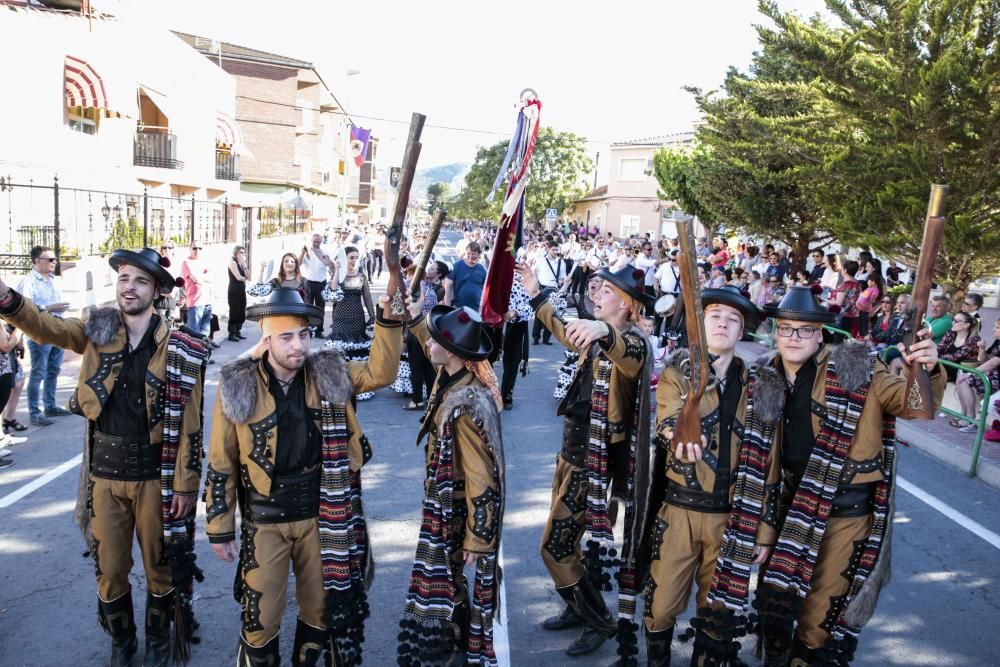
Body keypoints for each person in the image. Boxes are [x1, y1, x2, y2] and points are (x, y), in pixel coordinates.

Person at [0, 247, 208, 666]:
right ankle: (123, 641)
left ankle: (161, 641)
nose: (129, 287)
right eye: (125, 278)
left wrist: (186, 485)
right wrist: (6, 298)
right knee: (110, 569)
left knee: (159, 567)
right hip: (104, 475)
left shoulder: (180, 346)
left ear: (158, 292)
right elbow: (46, 326)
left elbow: (191, 423)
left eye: (141, 281)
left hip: (155, 476)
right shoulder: (97, 329)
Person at [205, 287, 404, 665]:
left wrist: (389, 319)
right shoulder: (239, 384)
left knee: (319, 614)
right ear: (266, 339)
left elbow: (382, 371)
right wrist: (220, 526)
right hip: (266, 520)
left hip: (321, 517)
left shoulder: (327, 373)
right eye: (286, 337)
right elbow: (221, 459)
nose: (298, 345)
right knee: (259, 620)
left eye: (304, 334)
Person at [753, 286, 943, 665]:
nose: (794, 337)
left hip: (846, 516)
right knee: (773, 610)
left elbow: (913, 406)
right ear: (776, 332)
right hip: (790, 508)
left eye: (804, 329)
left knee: (819, 620)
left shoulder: (853, 367)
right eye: (787, 328)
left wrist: (926, 367)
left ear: (819, 333)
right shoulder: (764, 376)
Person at [518, 262, 653, 659]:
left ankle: (598, 620)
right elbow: (564, 329)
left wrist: (604, 331)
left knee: (554, 546)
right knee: (569, 543)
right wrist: (535, 291)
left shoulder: (633, 342)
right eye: (597, 289)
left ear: (627, 305)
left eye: (606, 291)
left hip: (593, 465)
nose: (596, 294)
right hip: (571, 452)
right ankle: (577, 607)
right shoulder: (597, 335)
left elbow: (628, 352)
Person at [642, 286, 779, 665]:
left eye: (733, 319)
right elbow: (669, 420)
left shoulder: (761, 384)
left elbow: (770, 462)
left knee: (718, 612)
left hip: (732, 518)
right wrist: (680, 431)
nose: (723, 323)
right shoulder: (676, 373)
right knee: (661, 604)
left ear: (742, 332)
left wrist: (764, 530)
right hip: (680, 510)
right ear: (699, 325)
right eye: (715, 315)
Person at [398, 299, 505, 666]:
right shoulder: (452, 371)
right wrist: (408, 310)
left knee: (450, 576)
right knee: (447, 574)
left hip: (456, 504)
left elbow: (480, 475)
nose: (426, 345)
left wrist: (479, 535)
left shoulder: (465, 403)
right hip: (443, 496)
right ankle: (453, 638)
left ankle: (458, 645)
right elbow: (423, 336)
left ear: (452, 351)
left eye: (432, 341)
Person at [17, 245, 71, 426]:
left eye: (55, 259)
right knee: (38, 372)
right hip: (40, 332)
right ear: (37, 261)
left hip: (58, 329)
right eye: (50, 259)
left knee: (53, 370)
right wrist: (51, 308)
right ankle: (35, 412)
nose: (54, 262)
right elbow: (26, 310)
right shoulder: (29, 282)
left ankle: (51, 405)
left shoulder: (54, 280)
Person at [325, 247, 378, 401]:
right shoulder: (338, 276)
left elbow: (367, 298)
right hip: (340, 318)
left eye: (356, 257)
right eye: (351, 257)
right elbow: (332, 294)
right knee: (340, 353)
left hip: (357, 318)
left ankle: (358, 384)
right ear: (344, 259)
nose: (354, 260)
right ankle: (340, 385)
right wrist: (336, 271)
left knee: (357, 355)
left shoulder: (362, 277)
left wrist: (373, 317)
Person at [554, 273, 603, 400]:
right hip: (579, 343)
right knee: (574, 371)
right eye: (591, 280)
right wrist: (565, 285)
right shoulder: (579, 299)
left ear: (602, 285)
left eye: (597, 281)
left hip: (598, 346)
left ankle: (589, 397)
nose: (593, 283)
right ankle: (572, 396)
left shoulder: (604, 303)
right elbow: (557, 302)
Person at [955, 320, 1000, 433]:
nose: (993, 329)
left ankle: (971, 419)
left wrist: (970, 373)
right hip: (990, 374)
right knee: (961, 379)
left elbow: (993, 363)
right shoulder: (997, 342)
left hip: (996, 378)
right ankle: (968, 417)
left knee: (965, 380)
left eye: (997, 327)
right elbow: (984, 360)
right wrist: (982, 349)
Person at [299, 233, 336, 338]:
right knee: (308, 308)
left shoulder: (324, 252)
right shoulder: (307, 252)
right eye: (314, 241)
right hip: (308, 283)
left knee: (320, 308)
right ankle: (308, 331)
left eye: (318, 242)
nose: (316, 244)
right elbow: (298, 263)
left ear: (321, 241)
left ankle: (319, 331)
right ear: (311, 241)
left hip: (321, 283)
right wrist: (302, 253)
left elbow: (330, 265)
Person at [533, 242, 568, 345]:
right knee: (539, 313)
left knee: (551, 314)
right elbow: (535, 274)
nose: (556, 252)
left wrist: (564, 280)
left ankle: (546, 338)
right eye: (554, 249)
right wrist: (535, 288)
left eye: (557, 250)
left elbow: (563, 277)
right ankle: (536, 337)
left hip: (555, 290)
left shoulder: (561, 263)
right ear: (548, 249)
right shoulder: (540, 260)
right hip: (542, 288)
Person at [182, 242, 215, 340]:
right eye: (195, 248)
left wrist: (201, 276)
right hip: (195, 302)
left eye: (200, 248)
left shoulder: (205, 261)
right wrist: (204, 275)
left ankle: (203, 352)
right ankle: (194, 353)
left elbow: (212, 278)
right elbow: (195, 279)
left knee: (205, 333)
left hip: (207, 301)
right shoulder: (186, 262)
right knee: (194, 334)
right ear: (190, 248)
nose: (197, 250)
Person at [938, 311, 981, 384]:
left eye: (956, 321)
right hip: (944, 365)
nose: (953, 323)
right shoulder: (950, 334)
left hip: (960, 371)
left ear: (966, 325)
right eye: (953, 320)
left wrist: (936, 358)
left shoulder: (974, 340)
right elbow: (939, 348)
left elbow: (956, 356)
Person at [445, 241, 487, 310]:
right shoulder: (456, 266)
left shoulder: (481, 269)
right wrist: (447, 307)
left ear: (479, 254)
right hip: (458, 307)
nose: (470, 256)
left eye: (473, 254)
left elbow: (484, 289)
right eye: (468, 253)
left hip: (475, 309)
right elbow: (447, 287)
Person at [828, 260, 861, 335]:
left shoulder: (845, 285)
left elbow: (838, 303)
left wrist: (824, 299)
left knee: (838, 340)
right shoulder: (857, 283)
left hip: (842, 317)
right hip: (852, 316)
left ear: (845, 270)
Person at [227, 245, 249, 342]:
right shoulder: (233, 263)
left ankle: (238, 332)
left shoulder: (243, 264)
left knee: (241, 312)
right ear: (236, 253)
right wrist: (245, 279)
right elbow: (238, 277)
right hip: (234, 291)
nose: (243, 255)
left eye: (244, 253)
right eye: (241, 253)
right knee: (234, 312)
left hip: (241, 290)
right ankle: (231, 333)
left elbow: (249, 276)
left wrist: (244, 267)